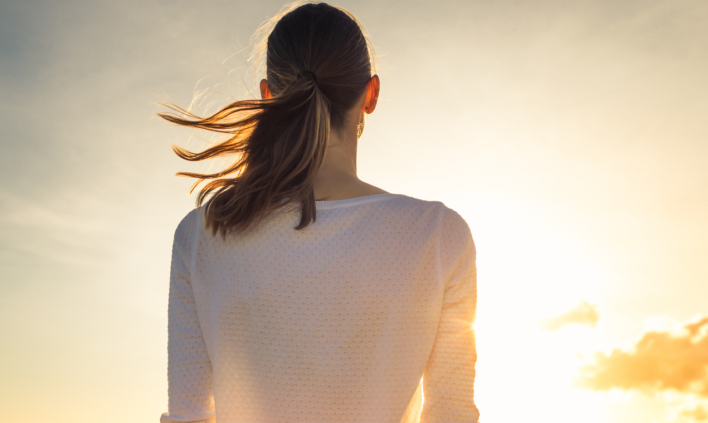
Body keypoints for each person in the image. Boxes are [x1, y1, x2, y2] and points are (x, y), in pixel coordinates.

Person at [157, 3, 479, 423]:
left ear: (267, 95)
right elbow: (452, 415)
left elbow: (188, 416)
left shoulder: (202, 234)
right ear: (371, 94)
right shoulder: (439, 235)